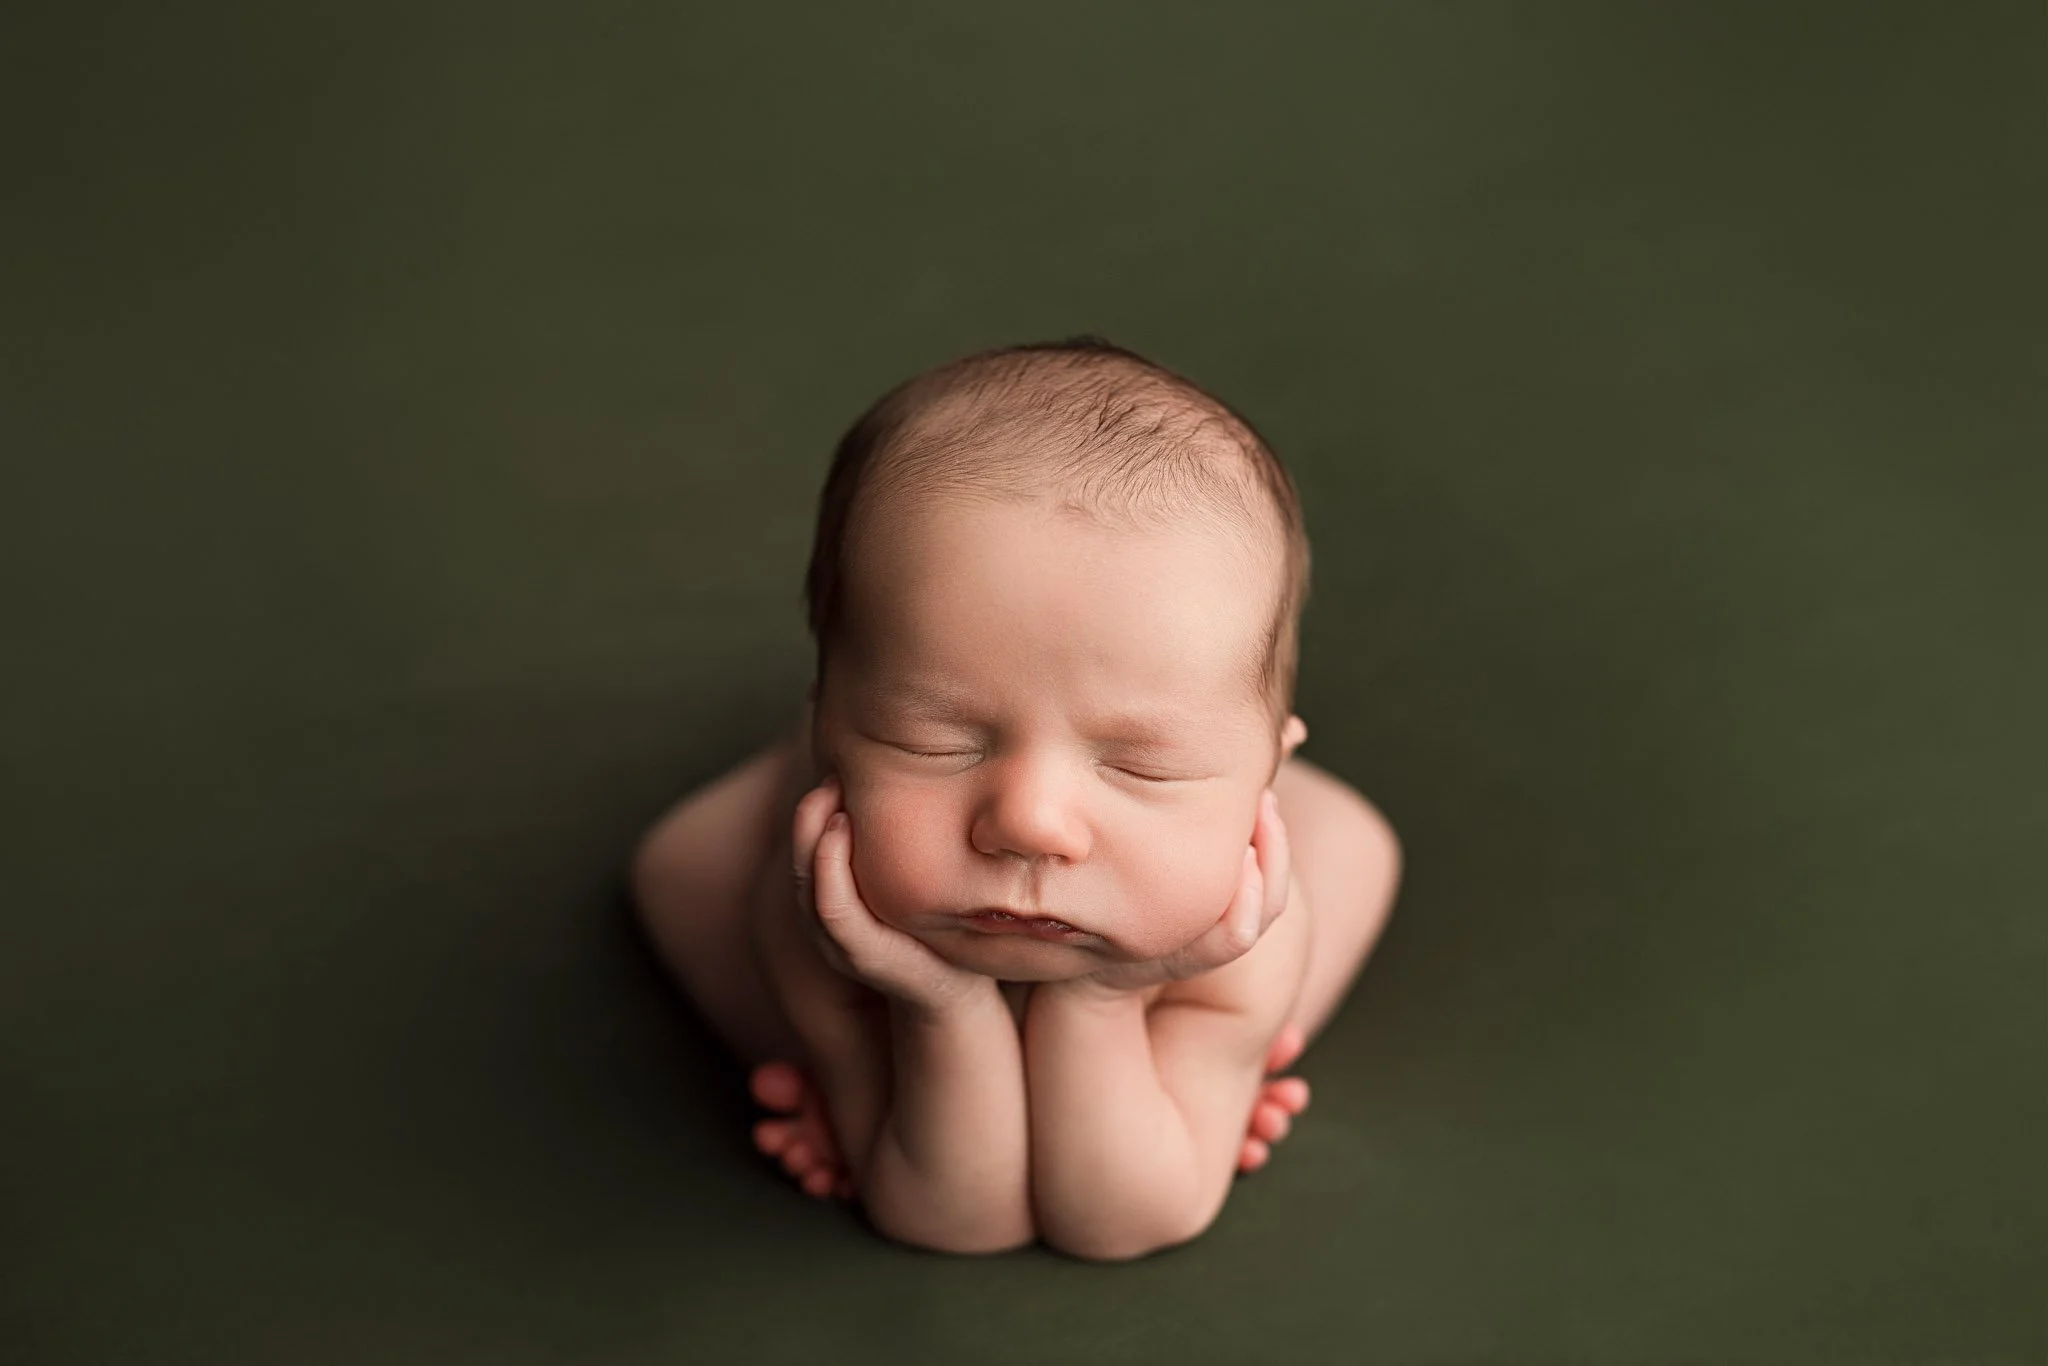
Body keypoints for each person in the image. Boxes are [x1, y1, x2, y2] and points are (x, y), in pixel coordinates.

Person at [631, 337, 1402, 1260]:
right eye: (934, 741)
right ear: (830, 726)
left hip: (1202, 888)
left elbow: (1126, 1221)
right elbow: (954, 1221)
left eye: (1142, 766)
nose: (1030, 822)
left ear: (1263, 772)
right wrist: (931, 1002)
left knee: (1352, 843)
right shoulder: (814, 919)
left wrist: (1112, 999)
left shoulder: (1246, 933)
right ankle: (830, 1061)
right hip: (814, 861)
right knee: (682, 864)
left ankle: (1205, 1043)